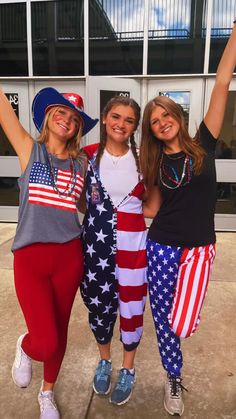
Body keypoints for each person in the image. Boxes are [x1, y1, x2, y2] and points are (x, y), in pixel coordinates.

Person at [139, 22, 236, 417]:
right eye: (155, 121)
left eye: (166, 114)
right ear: (153, 131)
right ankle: (172, 376)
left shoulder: (205, 144)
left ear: (177, 114)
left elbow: (220, 83)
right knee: (163, 321)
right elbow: (153, 209)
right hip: (161, 246)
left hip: (199, 249)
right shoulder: (156, 161)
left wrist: (234, 39)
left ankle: (176, 351)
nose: (162, 121)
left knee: (181, 323)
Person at [0, 86, 98, 418]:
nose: (67, 120)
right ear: (48, 116)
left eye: (74, 119)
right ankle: (26, 347)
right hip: (30, 258)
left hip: (69, 258)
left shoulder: (82, 164)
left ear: (78, 129)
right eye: (61, 112)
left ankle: (47, 393)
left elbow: (87, 204)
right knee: (46, 341)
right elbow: (4, 112)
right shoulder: (31, 150)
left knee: (60, 329)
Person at [79, 96, 147, 406]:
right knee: (100, 307)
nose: (121, 124)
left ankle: (128, 368)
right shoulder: (87, 156)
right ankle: (105, 361)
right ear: (105, 119)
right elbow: (81, 201)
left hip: (134, 249)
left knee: (132, 309)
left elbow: (153, 203)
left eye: (129, 120)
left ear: (135, 126)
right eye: (116, 116)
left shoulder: (144, 158)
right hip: (96, 249)